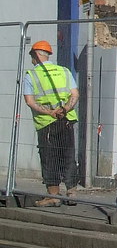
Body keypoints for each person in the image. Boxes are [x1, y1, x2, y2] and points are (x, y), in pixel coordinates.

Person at [22, 40, 79, 206]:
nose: (32, 60)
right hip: (66, 120)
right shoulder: (64, 71)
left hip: (46, 122)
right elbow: (75, 94)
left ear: (35, 55)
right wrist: (65, 109)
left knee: (49, 157)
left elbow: (30, 101)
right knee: (68, 155)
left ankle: (53, 196)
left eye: (32, 56)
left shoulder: (31, 75)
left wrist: (50, 112)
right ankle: (72, 193)